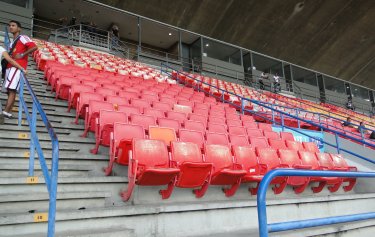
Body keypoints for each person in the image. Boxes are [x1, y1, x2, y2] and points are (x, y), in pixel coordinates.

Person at [2, 20, 37, 119]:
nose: (11, 27)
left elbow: (34, 47)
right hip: (10, 67)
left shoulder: (23, 37)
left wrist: (22, 54)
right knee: (9, 90)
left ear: (19, 28)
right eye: (10, 25)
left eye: (13, 25)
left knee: (12, 89)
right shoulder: (12, 41)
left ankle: (5, 112)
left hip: (17, 67)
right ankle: (8, 112)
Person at [0, 44, 27, 124]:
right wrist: (22, 68)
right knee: (12, 90)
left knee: (11, 90)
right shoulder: (1, 48)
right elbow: (10, 60)